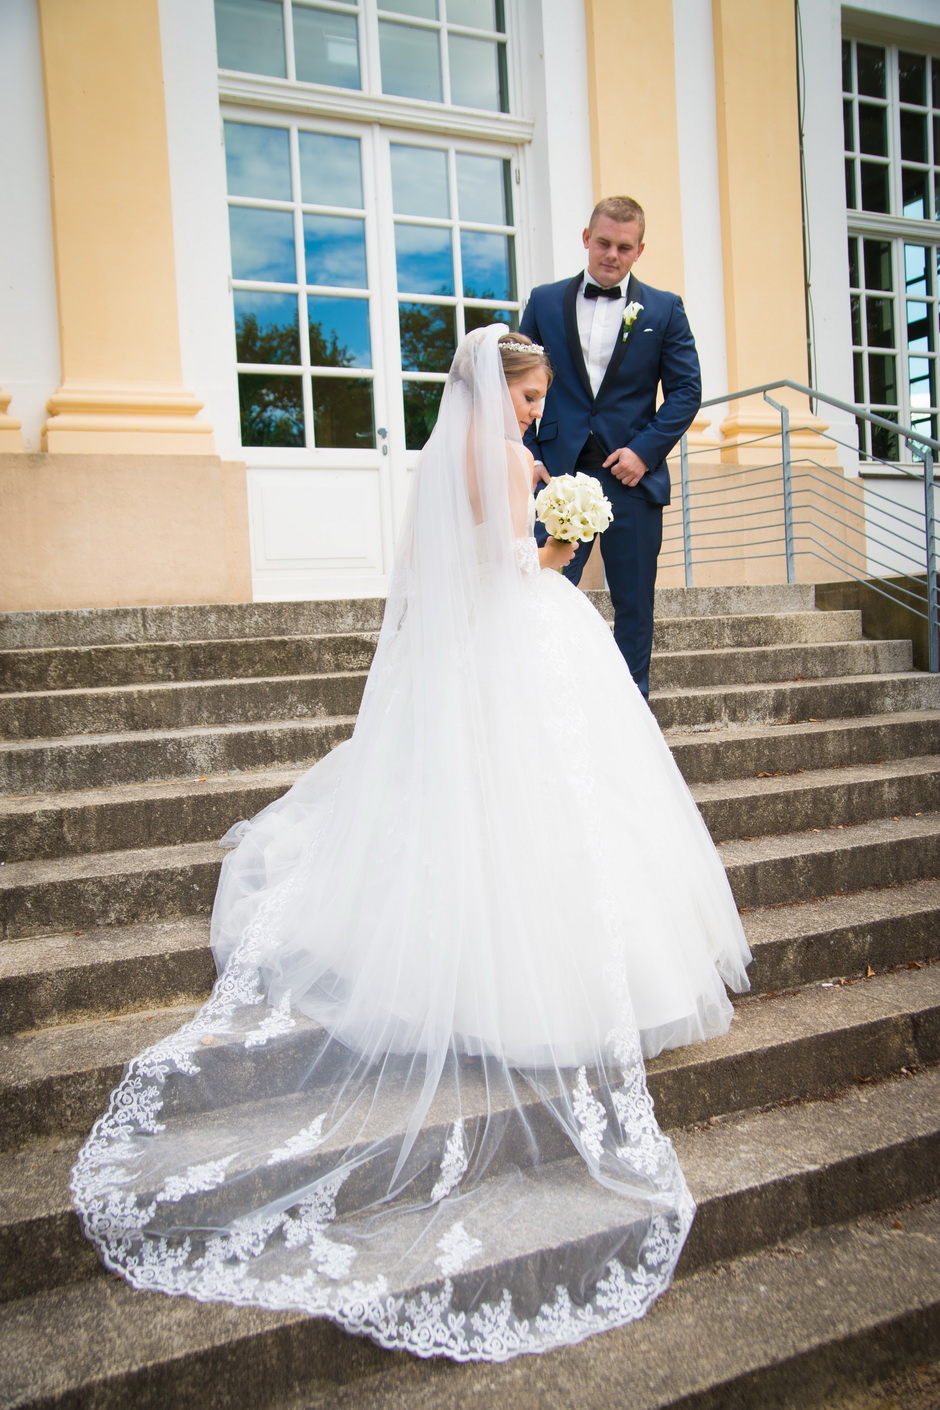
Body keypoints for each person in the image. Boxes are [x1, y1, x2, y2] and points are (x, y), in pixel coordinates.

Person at [71, 327, 749, 1363]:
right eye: (530, 398)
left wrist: (551, 516)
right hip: (518, 635)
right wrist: (564, 544)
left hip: (510, 646)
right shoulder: (485, 464)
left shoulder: (464, 458)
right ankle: (526, 983)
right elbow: (507, 570)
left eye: (538, 401)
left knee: (555, 803)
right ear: (502, 390)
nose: (537, 413)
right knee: (530, 803)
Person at [519, 195, 701, 699]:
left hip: (632, 478)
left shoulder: (664, 309)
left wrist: (645, 451)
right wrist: (530, 455)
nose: (611, 255)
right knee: (543, 593)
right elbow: (516, 382)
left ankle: (632, 714)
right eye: (603, 243)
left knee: (634, 603)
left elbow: (686, 390)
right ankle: (541, 702)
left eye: (624, 247)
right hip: (557, 477)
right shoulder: (544, 301)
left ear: (639, 250)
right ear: (586, 238)